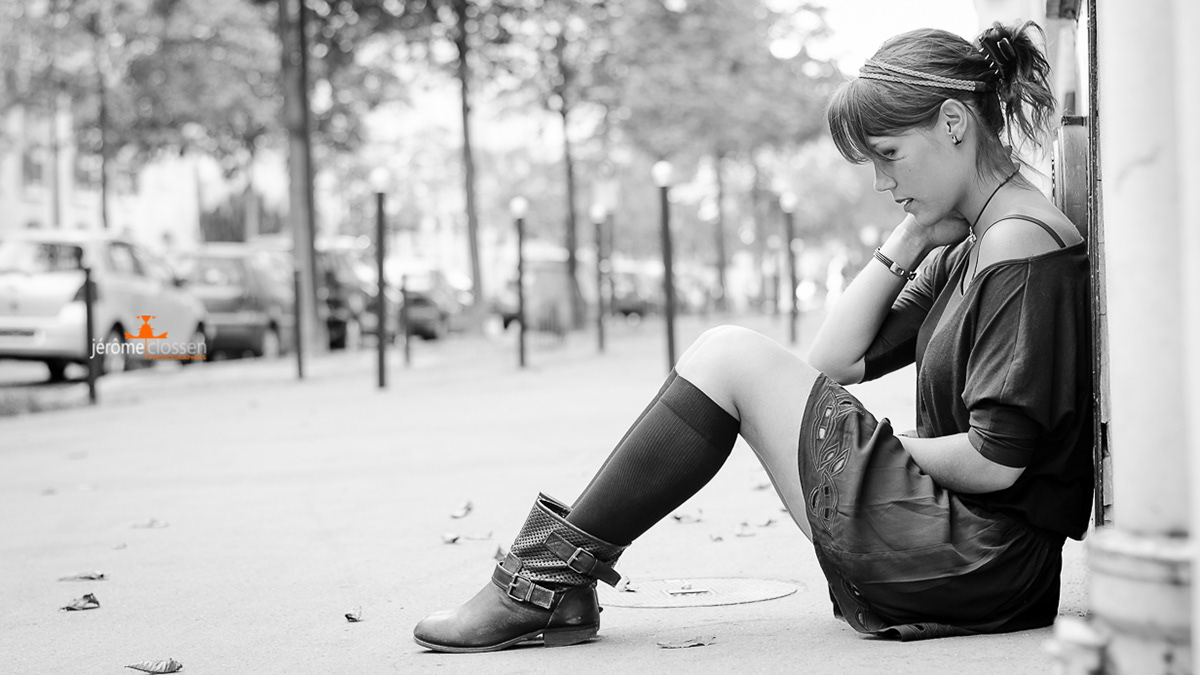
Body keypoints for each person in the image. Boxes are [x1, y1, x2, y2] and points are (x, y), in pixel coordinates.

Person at [413, 20, 1093, 652]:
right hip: (960, 544)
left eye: (889, 156)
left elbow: (995, 462)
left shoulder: (1019, 250)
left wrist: (883, 447)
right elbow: (835, 360)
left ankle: (540, 585)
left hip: (979, 559)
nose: (884, 182)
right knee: (725, 353)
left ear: (953, 124)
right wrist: (910, 235)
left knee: (731, 353)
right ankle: (549, 583)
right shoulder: (967, 243)